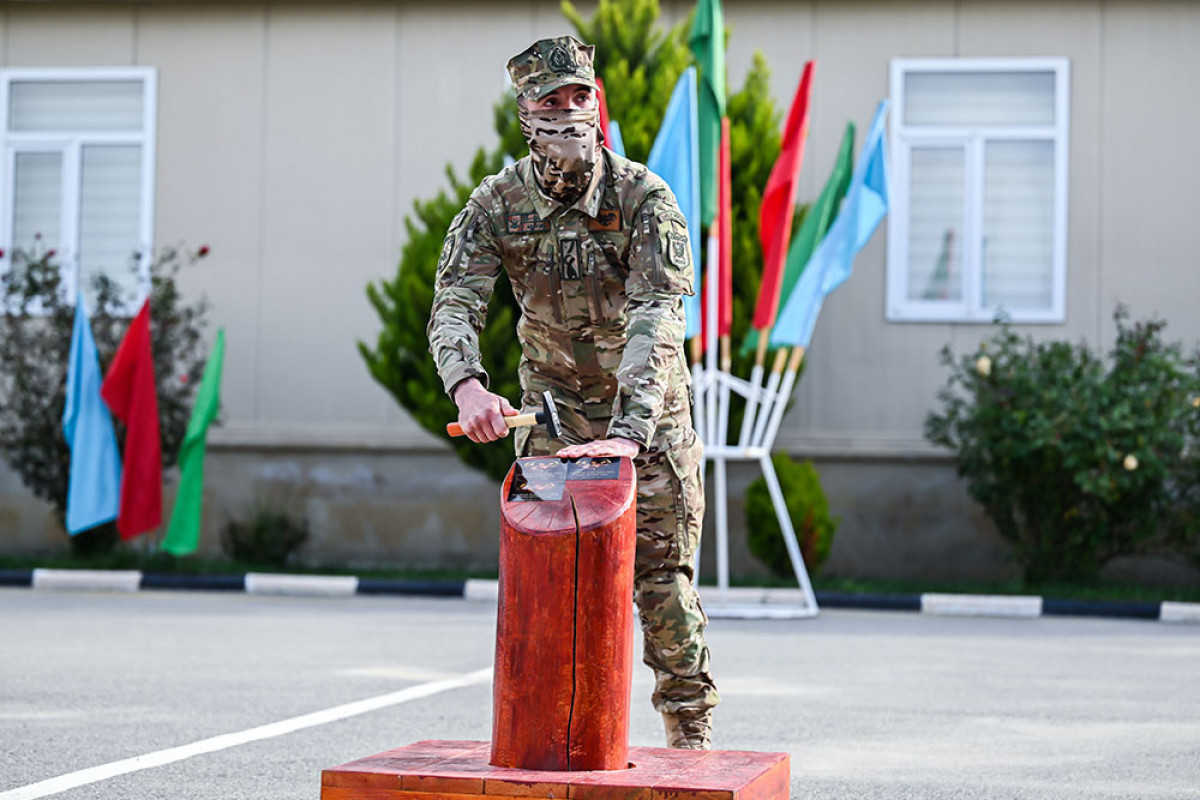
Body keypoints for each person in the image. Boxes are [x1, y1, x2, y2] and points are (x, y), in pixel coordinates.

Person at [427, 35, 718, 749]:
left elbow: (659, 314)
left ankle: (690, 740)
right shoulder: (497, 204)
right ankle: (555, 746)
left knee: (661, 591)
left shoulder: (643, 197)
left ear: (597, 103)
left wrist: (630, 428)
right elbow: (455, 300)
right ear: (525, 113)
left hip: (647, 431)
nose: (567, 112)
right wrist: (467, 387)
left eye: (579, 97)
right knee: (551, 596)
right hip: (553, 427)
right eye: (550, 101)